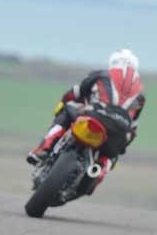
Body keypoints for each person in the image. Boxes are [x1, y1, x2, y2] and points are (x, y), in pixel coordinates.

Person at [26, 49, 146, 190]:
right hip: (120, 130)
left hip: (95, 116)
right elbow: (133, 127)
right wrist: (121, 148)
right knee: (111, 155)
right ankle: (97, 175)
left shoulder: (102, 74)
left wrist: (64, 101)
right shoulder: (140, 95)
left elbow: (76, 92)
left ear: (113, 62)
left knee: (66, 111)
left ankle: (43, 149)